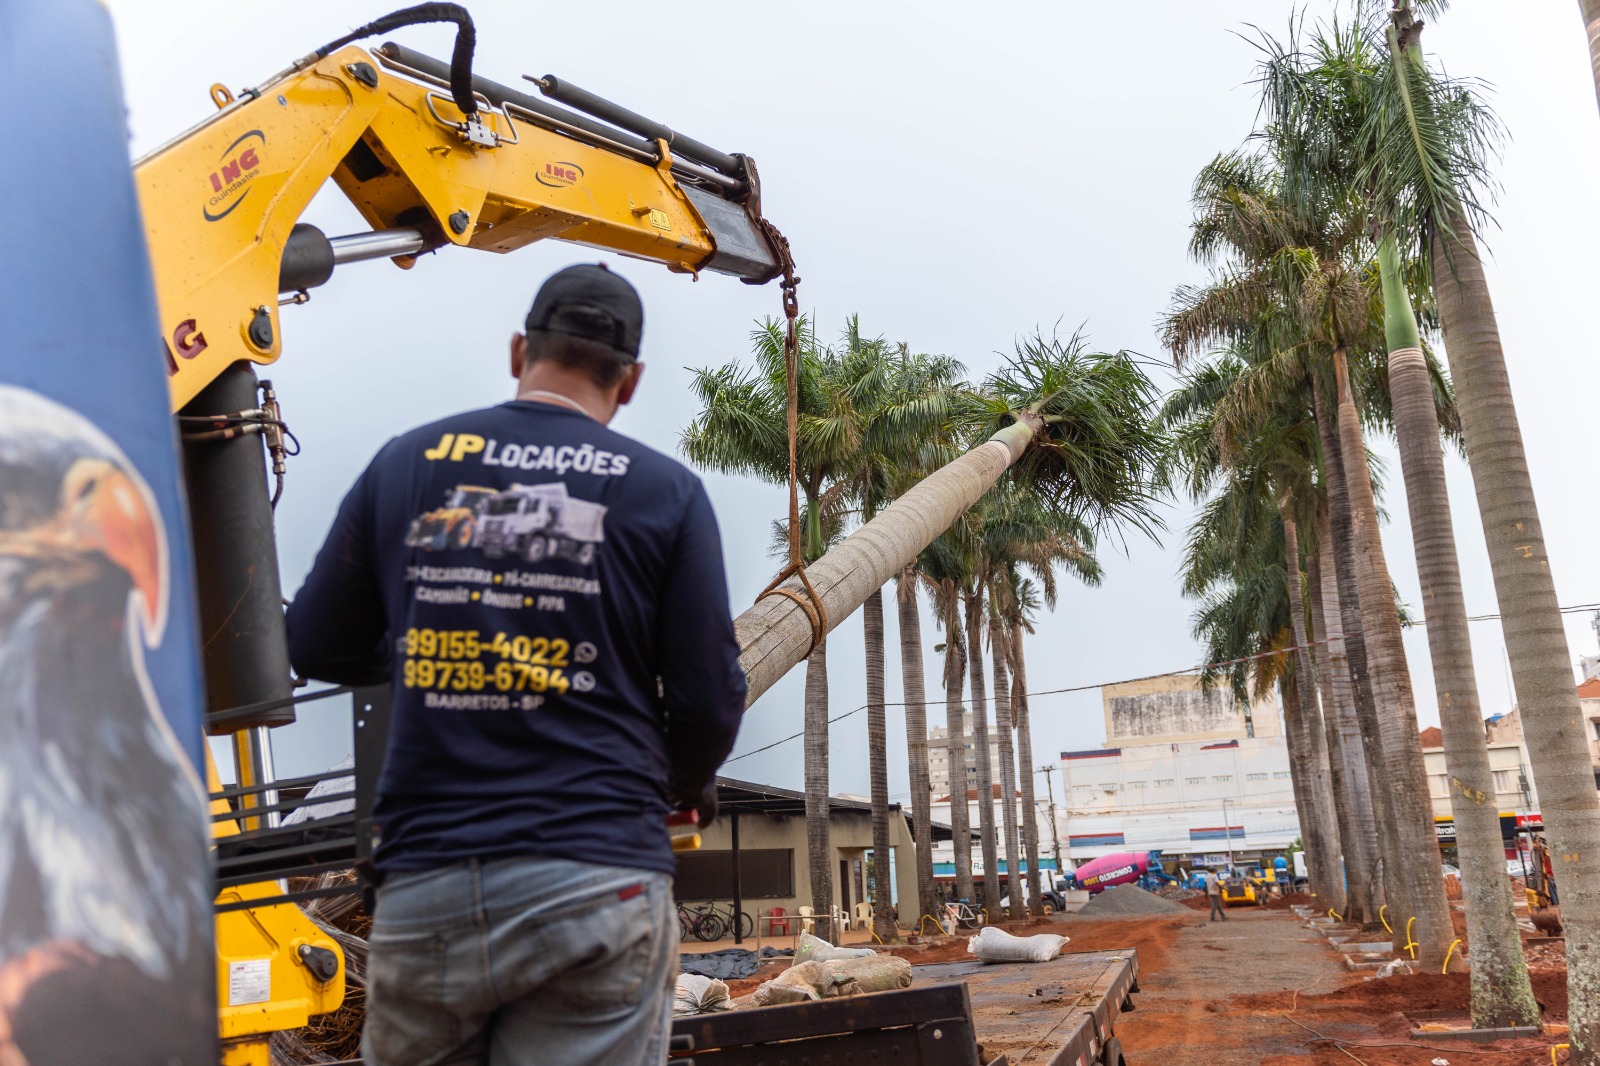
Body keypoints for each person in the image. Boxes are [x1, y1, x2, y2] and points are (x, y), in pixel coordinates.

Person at [285, 263, 746, 1066]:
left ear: (516, 351)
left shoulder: (408, 464)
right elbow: (709, 698)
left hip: (429, 882)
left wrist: (422, 648)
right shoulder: (664, 493)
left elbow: (314, 641)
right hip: (597, 874)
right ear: (629, 382)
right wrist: (682, 780)